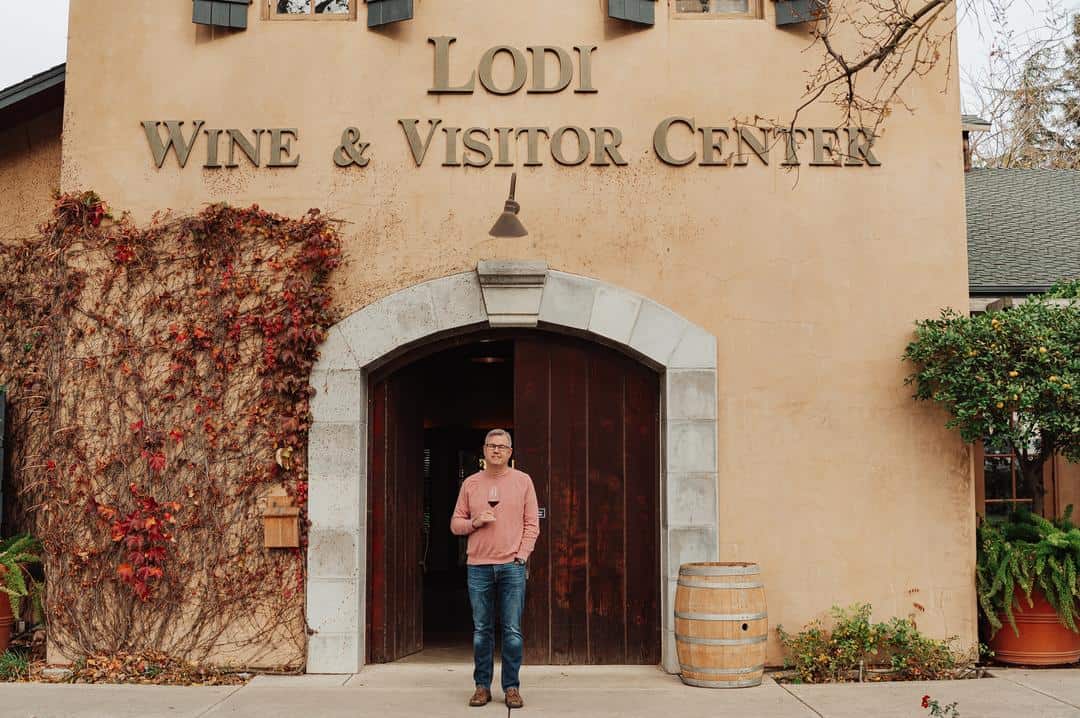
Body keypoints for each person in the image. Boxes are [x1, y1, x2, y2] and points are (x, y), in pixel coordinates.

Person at [450, 429, 539, 709]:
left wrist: (521, 557)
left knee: (512, 631)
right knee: (482, 632)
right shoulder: (471, 484)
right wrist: (474, 522)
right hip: (478, 567)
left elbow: (532, 525)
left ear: (510, 452)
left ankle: (511, 687)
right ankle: (481, 687)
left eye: (502, 446)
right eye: (491, 446)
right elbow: (455, 524)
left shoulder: (523, 481)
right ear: (484, 450)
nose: (497, 450)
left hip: (512, 566)